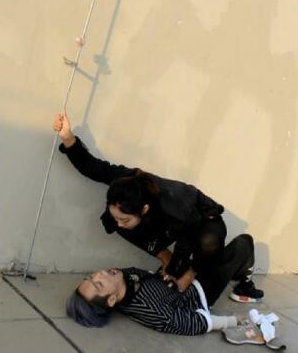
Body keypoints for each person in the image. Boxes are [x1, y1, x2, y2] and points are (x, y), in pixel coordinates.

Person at [53, 111, 263, 302]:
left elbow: (187, 239)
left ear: (144, 209)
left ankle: (239, 251)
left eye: (124, 219)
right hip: (167, 222)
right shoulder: (127, 183)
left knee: (206, 249)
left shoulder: (174, 205)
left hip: (204, 220)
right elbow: (93, 168)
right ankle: (168, 258)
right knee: (113, 222)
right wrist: (68, 138)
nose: (120, 224)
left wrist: (183, 273)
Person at [66, 233, 259, 335]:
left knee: (204, 241)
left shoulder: (122, 278)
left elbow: (150, 278)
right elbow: (196, 324)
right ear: (112, 299)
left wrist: (170, 273)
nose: (99, 274)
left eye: (91, 277)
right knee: (243, 243)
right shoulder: (154, 312)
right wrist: (233, 320)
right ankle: (245, 285)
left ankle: (236, 270)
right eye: (99, 284)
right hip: (198, 294)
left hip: (178, 280)